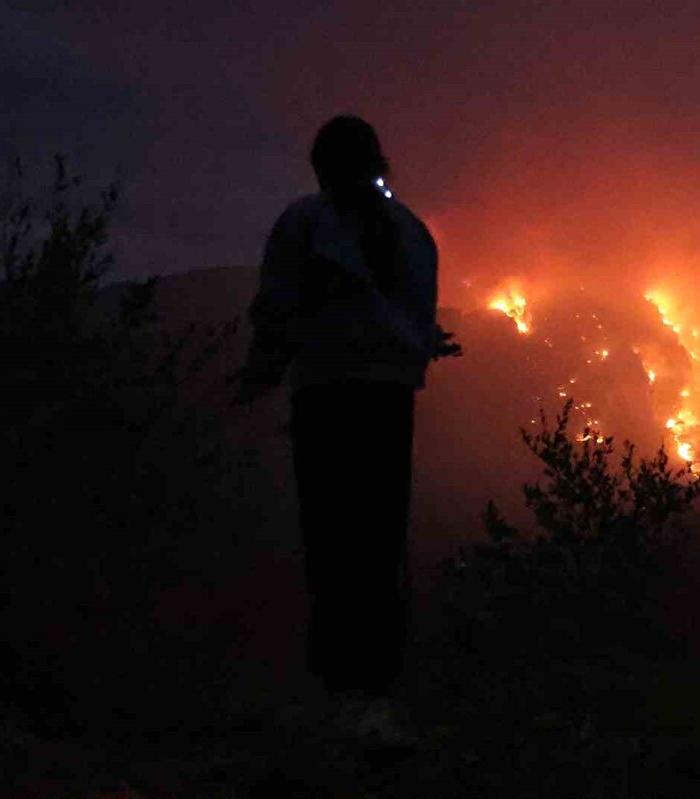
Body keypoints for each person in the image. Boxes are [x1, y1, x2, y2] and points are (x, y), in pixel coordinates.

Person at [234, 115, 458, 746]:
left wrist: (260, 371)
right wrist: (418, 349)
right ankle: (376, 698)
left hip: (329, 395)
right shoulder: (411, 232)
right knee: (379, 535)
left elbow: (278, 304)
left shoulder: (308, 222)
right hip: (388, 402)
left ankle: (342, 694)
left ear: (323, 167)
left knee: (333, 535)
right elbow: (412, 319)